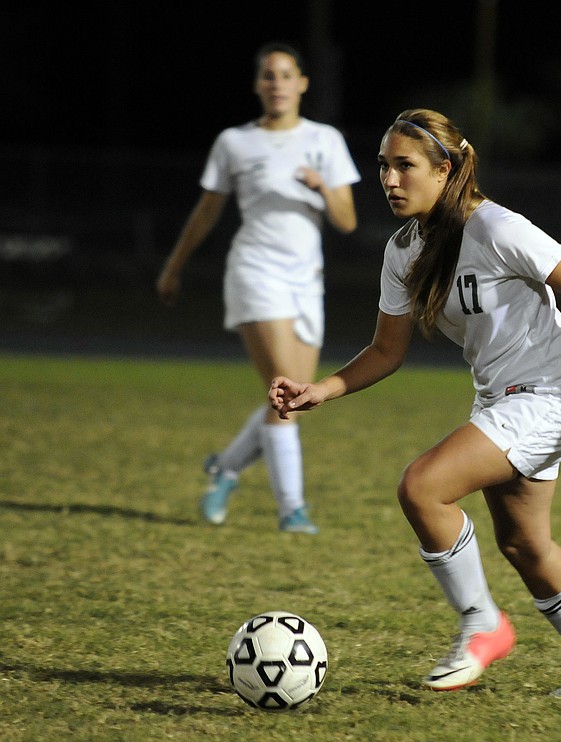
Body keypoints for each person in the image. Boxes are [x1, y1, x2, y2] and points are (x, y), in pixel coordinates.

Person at [269, 108, 561, 699]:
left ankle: (483, 624)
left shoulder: (495, 228)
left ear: (445, 169)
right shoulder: (403, 250)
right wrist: (322, 387)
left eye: (405, 166)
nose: (389, 180)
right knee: (523, 544)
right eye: (383, 167)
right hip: (503, 398)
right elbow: (386, 351)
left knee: (423, 486)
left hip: (552, 394)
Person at [156, 41, 360, 534]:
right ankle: (293, 509)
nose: (277, 84)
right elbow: (207, 211)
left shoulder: (325, 139)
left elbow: (347, 221)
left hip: (306, 281)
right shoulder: (234, 142)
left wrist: (322, 187)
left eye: (287, 74)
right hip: (255, 271)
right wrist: (174, 266)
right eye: (268, 75)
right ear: (258, 85)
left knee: (296, 396)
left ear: (302, 83)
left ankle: (225, 468)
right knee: (287, 392)